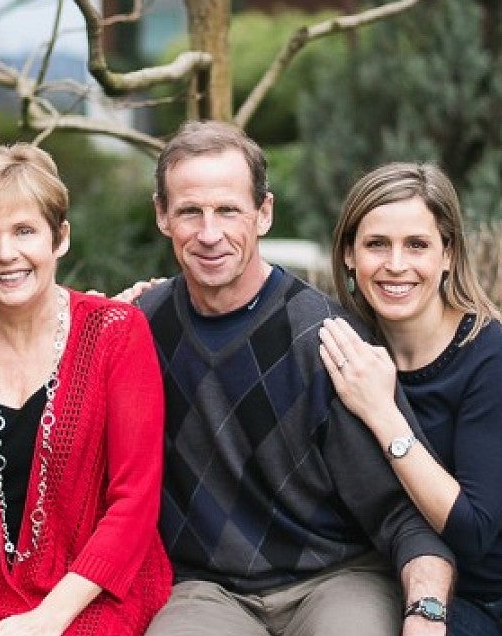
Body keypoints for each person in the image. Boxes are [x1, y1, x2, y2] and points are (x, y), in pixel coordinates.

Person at [133, 121, 455, 636]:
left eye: (228, 210)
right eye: (191, 211)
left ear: (264, 213)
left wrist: (426, 611)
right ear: (162, 215)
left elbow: (403, 510)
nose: (210, 233)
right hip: (206, 591)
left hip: (336, 578)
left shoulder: (327, 338)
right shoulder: (140, 328)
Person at [318, 162, 502, 635]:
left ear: (448, 254)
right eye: (377, 244)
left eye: (417, 244)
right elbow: (258, 314)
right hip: (446, 601)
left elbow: (473, 531)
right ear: (350, 254)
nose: (396, 264)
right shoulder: (348, 350)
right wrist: (160, 301)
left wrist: (382, 412)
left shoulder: (493, 349)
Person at [0, 144, 171, 636]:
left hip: (95, 594)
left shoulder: (117, 333)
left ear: (59, 237)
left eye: (24, 231)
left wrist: (46, 620)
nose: (6, 254)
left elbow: (134, 503)